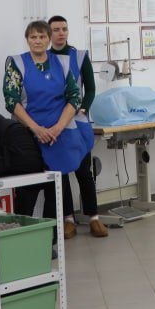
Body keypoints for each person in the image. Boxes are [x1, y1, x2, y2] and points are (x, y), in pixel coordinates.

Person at [5, 20, 94, 222]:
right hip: (29, 137)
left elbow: (74, 97)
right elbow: (11, 101)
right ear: (27, 39)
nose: (38, 41)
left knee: (56, 188)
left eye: (42, 36)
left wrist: (57, 128)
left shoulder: (61, 63)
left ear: (48, 39)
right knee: (28, 190)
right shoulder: (16, 64)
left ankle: (52, 235)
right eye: (33, 37)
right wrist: (37, 129)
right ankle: (23, 231)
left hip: (58, 136)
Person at [48, 15, 107, 239]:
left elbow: (90, 89)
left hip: (79, 123)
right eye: (56, 29)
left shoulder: (80, 56)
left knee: (84, 171)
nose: (61, 33)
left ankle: (93, 217)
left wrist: (82, 109)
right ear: (49, 33)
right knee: (61, 172)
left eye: (64, 29)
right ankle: (68, 219)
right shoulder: (44, 59)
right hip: (56, 124)